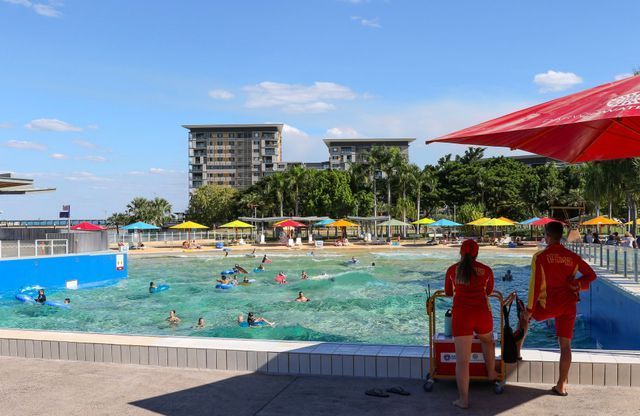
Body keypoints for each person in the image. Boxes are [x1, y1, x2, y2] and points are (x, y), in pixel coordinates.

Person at [521, 221, 597, 397]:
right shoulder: (572, 256)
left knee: (523, 319)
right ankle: (561, 385)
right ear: (560, 236)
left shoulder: (540, 257)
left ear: (548, 236)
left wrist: (530, 309)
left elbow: (535, 285)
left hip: (547, 306)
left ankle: (516, 353)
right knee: (565, 346)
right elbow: (591, 275)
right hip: (568, 306)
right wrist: (577, 284)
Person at [444, 240, 497, 410]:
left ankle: (463, 400)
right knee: (487, 341)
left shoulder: (452, 270)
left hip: (461, 316)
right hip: (482, 313)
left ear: (460, 252)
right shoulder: (487, 270)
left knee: (462, 361)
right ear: (477, 253)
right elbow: (488, 291)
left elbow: (447, 292)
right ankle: (491, 374)